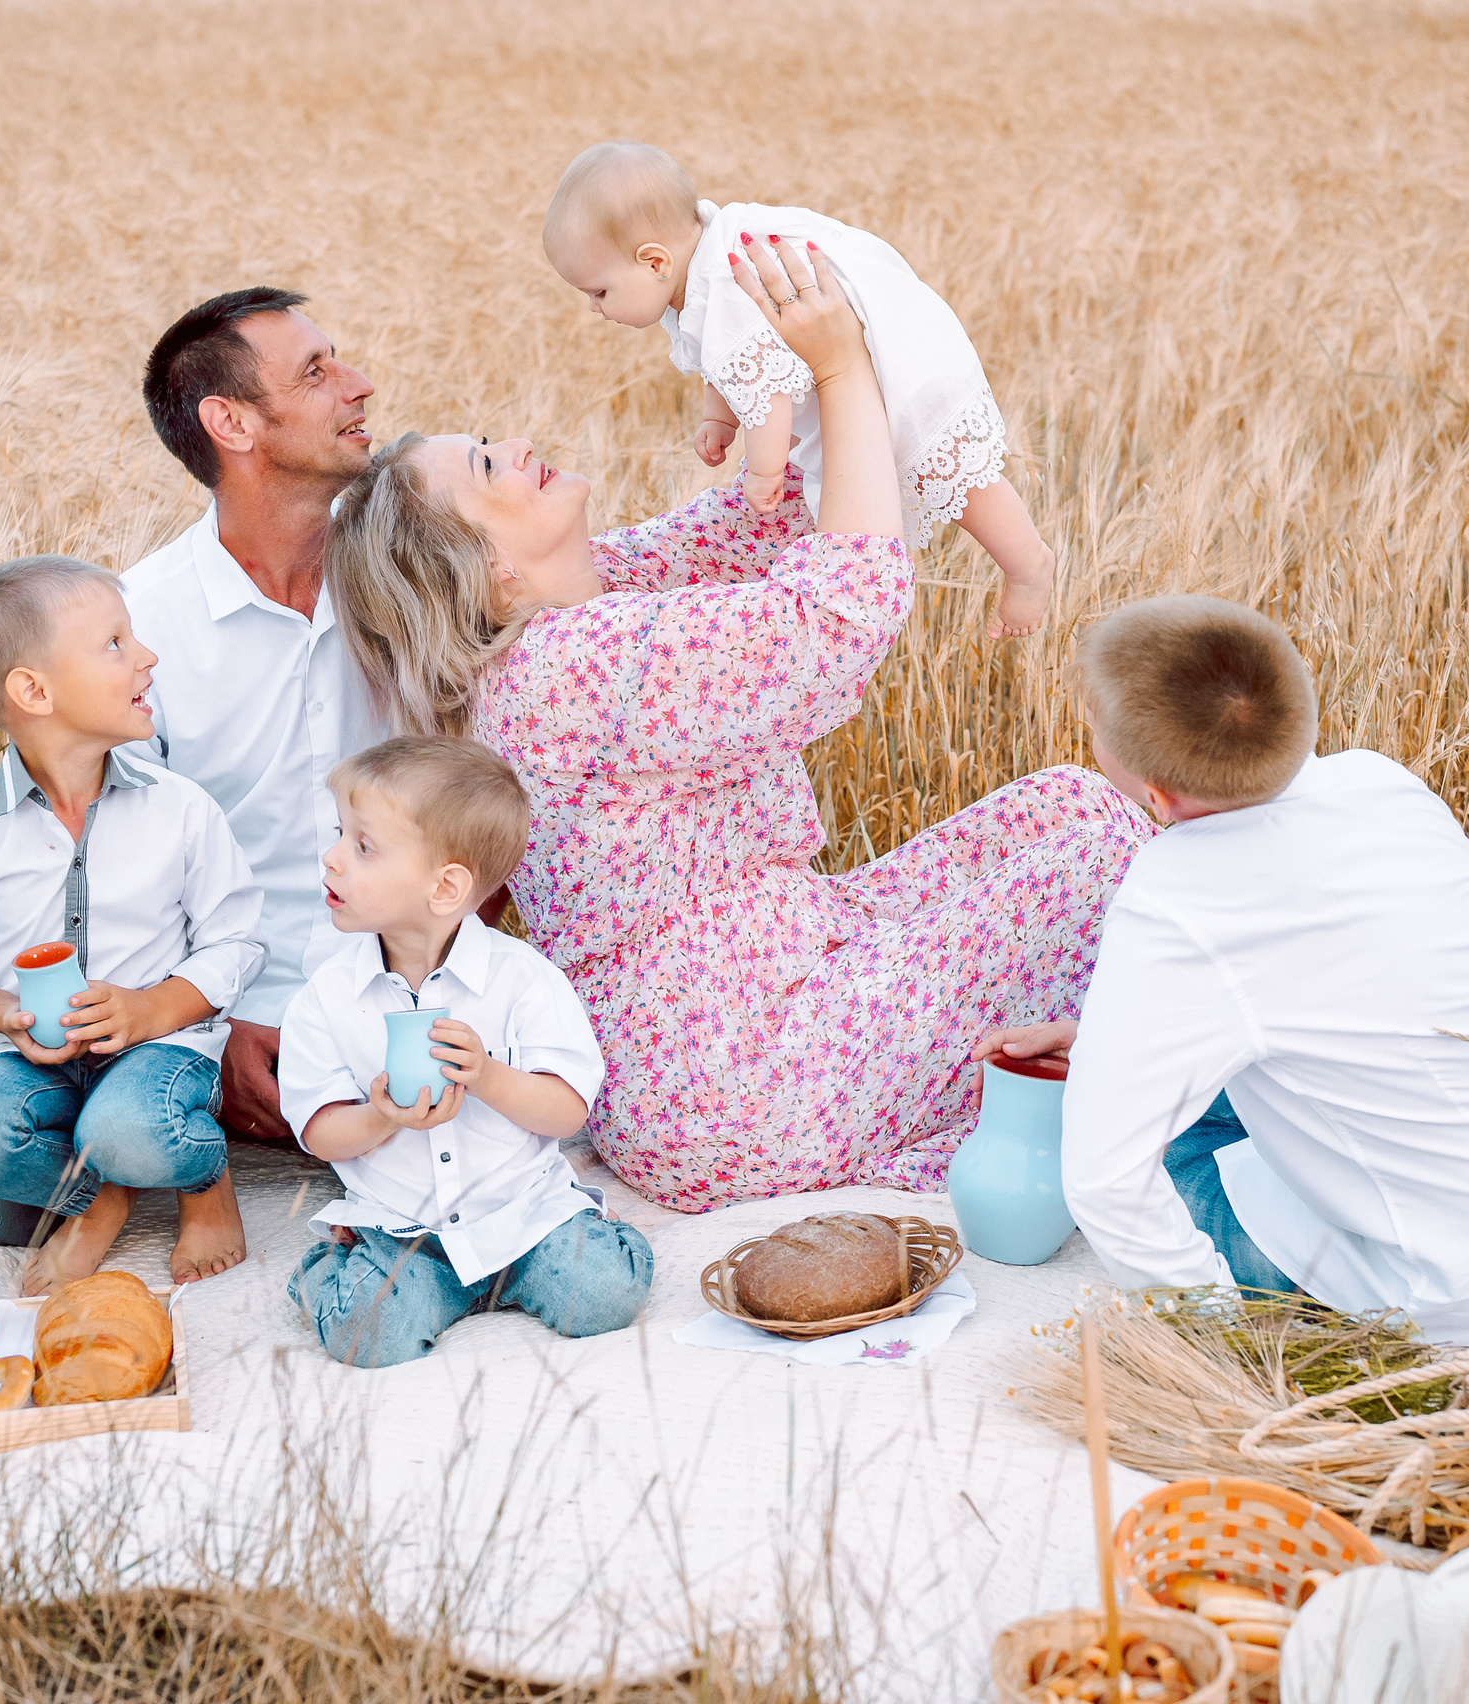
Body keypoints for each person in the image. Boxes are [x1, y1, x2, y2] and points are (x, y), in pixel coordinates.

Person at [324, 235, 1153, 1213]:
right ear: (485, 564)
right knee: (1103, 855)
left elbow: (757, 525)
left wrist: (768, 373)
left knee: (1071, 806)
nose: (513, 446)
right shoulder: (570, 665)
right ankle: (1147, 1096)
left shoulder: (580, 599)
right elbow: (840, 611)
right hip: (744, 1075)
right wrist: (841, 369)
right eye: (484, 465)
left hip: (764, 980)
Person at [984, 595, 1469, 1356]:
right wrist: (1104, 1040)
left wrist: (1212, 1347)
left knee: (1167, 1155)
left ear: (1158, 795)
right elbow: (1369, 993)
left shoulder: (1173, 894)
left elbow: (1105, 1182)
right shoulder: (1377, 782)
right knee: (1287, 1087)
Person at [0, 555, 263, 1292]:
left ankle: (202, 1179)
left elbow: (238, 939)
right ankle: (104, 1196)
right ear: (34, 691)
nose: (147, 657)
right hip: (35, 1064)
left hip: (159, 1052)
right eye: (115, 644)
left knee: (129, 1127)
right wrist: (5, 1014)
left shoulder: (181, 809)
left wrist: (151, 1008)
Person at [543, 141, 1054, 640]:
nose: (594, 308)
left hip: (894, 364)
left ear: (655, 262)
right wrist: (718, 417)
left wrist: (764, 473)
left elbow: (767, 392)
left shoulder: (726, 285)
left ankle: (1028, 564)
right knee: (921, 473)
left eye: (599, 291)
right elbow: (731, 361)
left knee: (945, 470)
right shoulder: (703, 267)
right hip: (876, 348)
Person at [278, 736, 651, 1366]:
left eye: (363, 846)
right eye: (340, 834)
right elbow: (320, 1133)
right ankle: (331, 1267)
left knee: (605, 1294)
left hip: (523, 1221)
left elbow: (567, 1112)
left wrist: (488, 1076)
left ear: (446, 887)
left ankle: (584, 1238)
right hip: (405, 1234)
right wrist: (382, 1117)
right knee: (369, 1334)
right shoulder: (326, 998)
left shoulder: (525, 979)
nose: (331, 858)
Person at [120, 287, 385, 1145]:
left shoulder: (413, 574)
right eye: (315, 372)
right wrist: (213, 1023)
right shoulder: (141, 627)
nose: (360, 384)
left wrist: (443, 972)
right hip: (222, 1023)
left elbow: (495, 780)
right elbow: (119, 869)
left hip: (415, 999)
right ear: (231, 423)